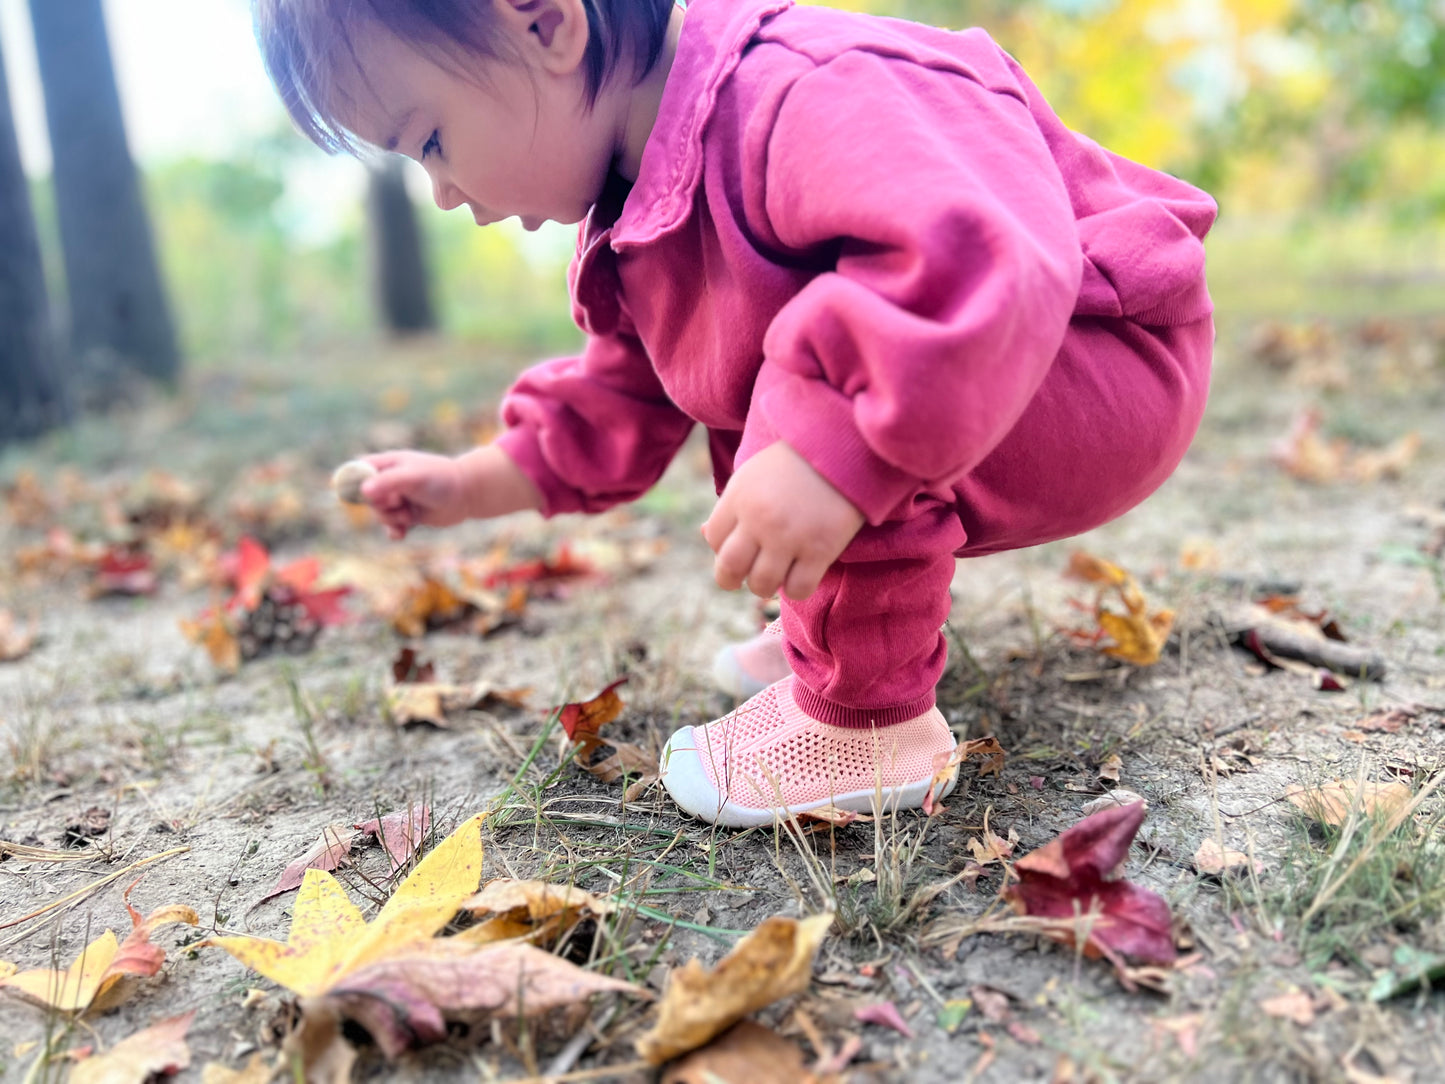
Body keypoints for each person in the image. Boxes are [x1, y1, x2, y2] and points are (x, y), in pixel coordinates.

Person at [254, 0, 1216, 827]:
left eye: (429, 140)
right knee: (750, 362)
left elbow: (976, 255)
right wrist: (468, 483)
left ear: (545, 21)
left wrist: (826, 449)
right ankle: (842, 626)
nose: (443, 192)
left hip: (1091, 345)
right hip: (996, 361)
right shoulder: (638, 210)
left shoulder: (803, 87)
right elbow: (617, 398)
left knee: (813, 393)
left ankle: (868, 725)